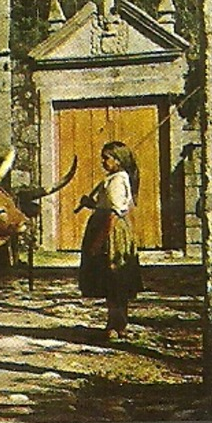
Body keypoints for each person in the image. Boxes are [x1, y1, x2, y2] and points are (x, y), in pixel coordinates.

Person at [76, 140, 143, 340]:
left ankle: (115, 325)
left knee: (113, 280)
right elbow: (108, 206)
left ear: (118, 160)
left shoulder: (117, 180)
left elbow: (113, 213)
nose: (103, 162)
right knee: (114, 281)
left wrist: (99, 240)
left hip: (110, 231)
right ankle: (117, 324)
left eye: (106, 158)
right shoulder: (115, 178)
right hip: (108, 225)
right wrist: (91, 203)